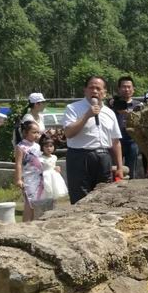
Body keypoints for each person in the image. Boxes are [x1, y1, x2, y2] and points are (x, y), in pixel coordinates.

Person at [63, 76, 124, 204]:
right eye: (91, 87)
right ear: (85, 90)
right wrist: (87, 116)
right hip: (79, 157)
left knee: (104, 197)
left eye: (98, 88)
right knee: (80, 197)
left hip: (103, 158)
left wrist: (119, 167)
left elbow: (115, 142)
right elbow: (69, 133)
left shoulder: (109, 113)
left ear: (104, 92)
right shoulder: (73, 108)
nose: (95, 91)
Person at [110, 76, 143, 179]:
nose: (126, 89)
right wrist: (112, 104)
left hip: (132, 141)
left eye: (129, 87)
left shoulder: (139, 105)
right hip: (115, 141)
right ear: (119, 89)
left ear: (133, 89)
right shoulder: (111, 105)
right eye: (123, 87)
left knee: (131, 170)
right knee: (114, 170)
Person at [15, 121, 45, 222]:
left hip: (39, 178)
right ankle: (25, 225)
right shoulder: (21, 147)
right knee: (29, 204)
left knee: (38, 203)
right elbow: (18, 164)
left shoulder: (37, 146)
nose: (37, 135)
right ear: (25, 132)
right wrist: (19, 179)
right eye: (34, 132)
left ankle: (35, 223)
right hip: (28, 178)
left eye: (38, 132)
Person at [39, 135, 68, 211]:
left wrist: (56, 167)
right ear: (42, 147)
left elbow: (53, 165)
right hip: (45, 177)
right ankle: (45, 209)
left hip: (54, 177)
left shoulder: (54, 157)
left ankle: (53, 209)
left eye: (51, 146)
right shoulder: (40, 158)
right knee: (46, 194)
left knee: (54, 194)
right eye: (46, 146)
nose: (49, 148)